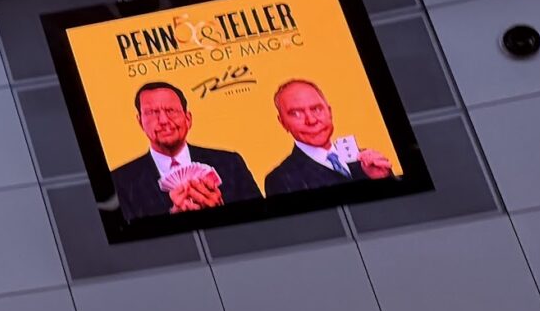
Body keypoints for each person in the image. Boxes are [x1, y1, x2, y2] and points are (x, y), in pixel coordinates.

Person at [109, 82, 263, 217]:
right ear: (140, 122)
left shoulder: (230, 163)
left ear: (188, 119)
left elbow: (262, 220)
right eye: (152, 112)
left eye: (170, 111)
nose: (163, 121)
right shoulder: (119, 182)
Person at [262, 79, 396, 196]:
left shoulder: (365, 160)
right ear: (283, 122)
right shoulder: (280, 179)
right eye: (296, 113)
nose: (311, 120)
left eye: (316, 109)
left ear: (329, 112)